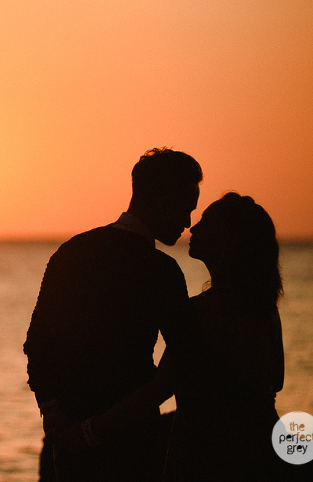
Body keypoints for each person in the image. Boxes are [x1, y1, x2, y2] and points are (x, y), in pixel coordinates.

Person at [70, 192, 284, 481]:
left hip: (210, 451)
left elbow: (162, 387)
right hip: (263, 444)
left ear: (229, 242)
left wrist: (92, 429)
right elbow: (276, 379)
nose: (193, 228)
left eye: (206, 223)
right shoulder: (264, 309)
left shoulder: (201, 310)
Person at [23, 147, 203, 481]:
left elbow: (38, 343)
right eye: (185, 209)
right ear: (163, 202)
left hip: (65, 433)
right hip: (132, 440)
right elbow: (186, 359)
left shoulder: (72, 252)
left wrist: (52, 411)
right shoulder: (161, 270)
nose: (188, 223)